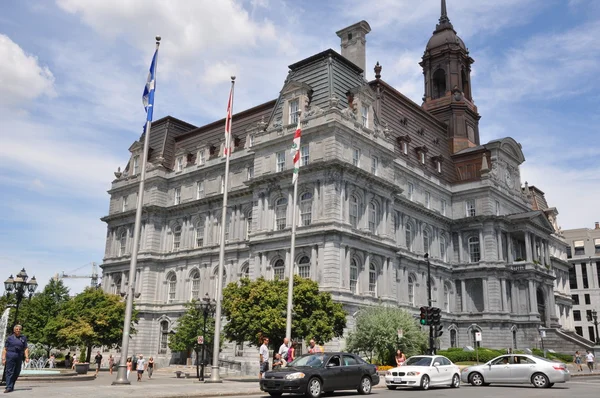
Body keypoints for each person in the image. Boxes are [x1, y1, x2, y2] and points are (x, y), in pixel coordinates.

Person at [2, 325, 30, 393]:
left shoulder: (23, 338)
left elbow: (25, 348)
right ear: (14, 330)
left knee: (17, 371)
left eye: (19, 329)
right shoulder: (9, 338)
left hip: (19, 356)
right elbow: (5, 349)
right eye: (16, 329)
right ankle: (8, 387)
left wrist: (27, 357)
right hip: (10, 355)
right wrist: (3, 358)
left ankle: (11, 385)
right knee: (9, 371)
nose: (18, 330)